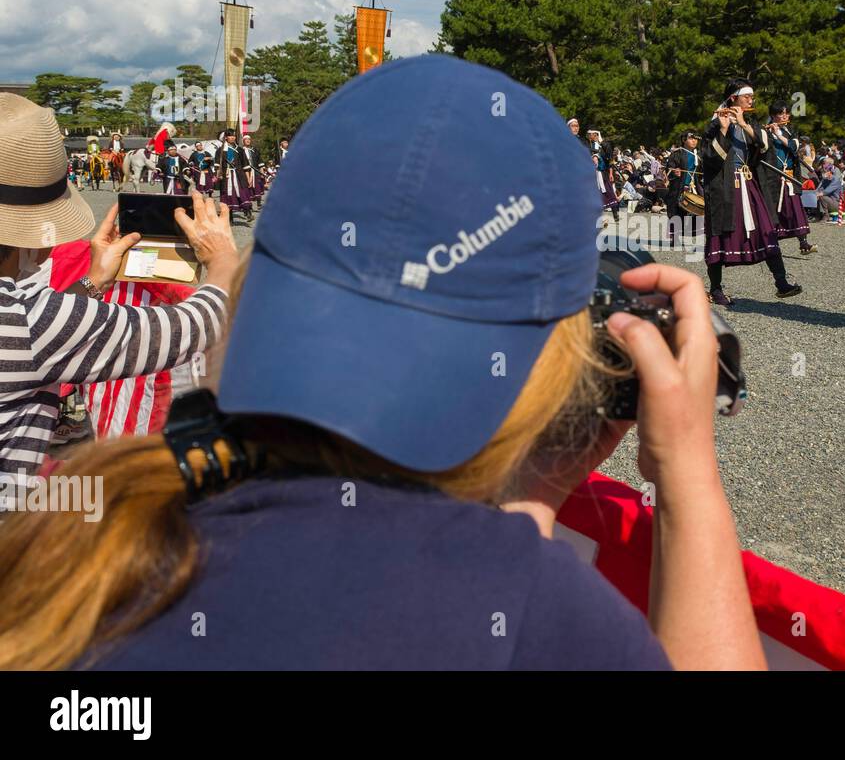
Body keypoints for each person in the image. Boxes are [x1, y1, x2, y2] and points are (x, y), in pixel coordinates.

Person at [0, 55, 765, 671]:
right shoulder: (533, 609)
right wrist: (686, 471)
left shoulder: (82, 543)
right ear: (552, 366)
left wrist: (526, 507)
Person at [0, 93, 235, 511]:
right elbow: (197, 325)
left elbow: (41, 333)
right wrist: (222, 259)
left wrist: (91, 282)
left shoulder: (34, 321)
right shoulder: (32, 321)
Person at [700, 80, 803, 306]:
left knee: (767, 230)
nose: (751, 100)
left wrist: (743, 123)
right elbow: (709, 157)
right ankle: (716, 289)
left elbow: (765, 146)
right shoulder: (715, 123)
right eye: (747, 96)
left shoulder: (750, 121)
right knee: (719, 235)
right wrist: (725, 128)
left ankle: (782, 283)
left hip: (750, 185)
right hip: (724, 188)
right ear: (733, 98)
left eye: (752, 96)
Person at [756, 102, 815, 255]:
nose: (784, 116)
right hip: (772, 178)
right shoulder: (764, 131)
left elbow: (793, 147)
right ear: (772, 115)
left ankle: (804, 243)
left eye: (786, 113)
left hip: (789, 177)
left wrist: (778, 134)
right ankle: (770, 244)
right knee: (773, 211)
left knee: (795, 210)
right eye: (780, 113)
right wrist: (770, 132)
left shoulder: (791, 130)